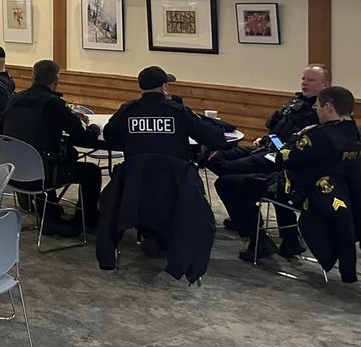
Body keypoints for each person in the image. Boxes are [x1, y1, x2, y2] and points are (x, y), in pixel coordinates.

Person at [219, 85, 359, 261]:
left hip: (305, 195)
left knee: (226, 182)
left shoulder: (316, 135)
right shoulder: (356, 134)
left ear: (328, 107)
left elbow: (283, 158)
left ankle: (258, 240)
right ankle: (290, 239)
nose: (316, 111)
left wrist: (296, 138)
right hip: (344, 197)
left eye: (317, 106)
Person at [208, 64, 331, 233]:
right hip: (267, 147)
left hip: (280, 159)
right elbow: (278, 128)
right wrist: (265, 139)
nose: (304, 83)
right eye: (303, 78)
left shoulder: (322, 111)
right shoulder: (296, 102)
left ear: (325, 84)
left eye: (311, 80)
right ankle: (245, 210)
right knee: (213, 158)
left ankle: (245, 211)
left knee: (228, 176)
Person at [2, 59, 102, 236]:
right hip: (42, 173)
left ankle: (49, 213)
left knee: (43, 155)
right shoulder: (53, 103)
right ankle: (86, 220)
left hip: (13, 171)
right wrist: (94, 128)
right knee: (91, 172)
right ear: (56, 80)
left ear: (33, 77)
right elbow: (81, 136)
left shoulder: (14, 98)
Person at [104, 66, 230, 162]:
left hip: (135, 181)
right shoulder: (178, 111)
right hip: (176, 182)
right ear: (164, 87)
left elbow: (109, 135)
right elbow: (214, 139)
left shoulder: (128, 111)